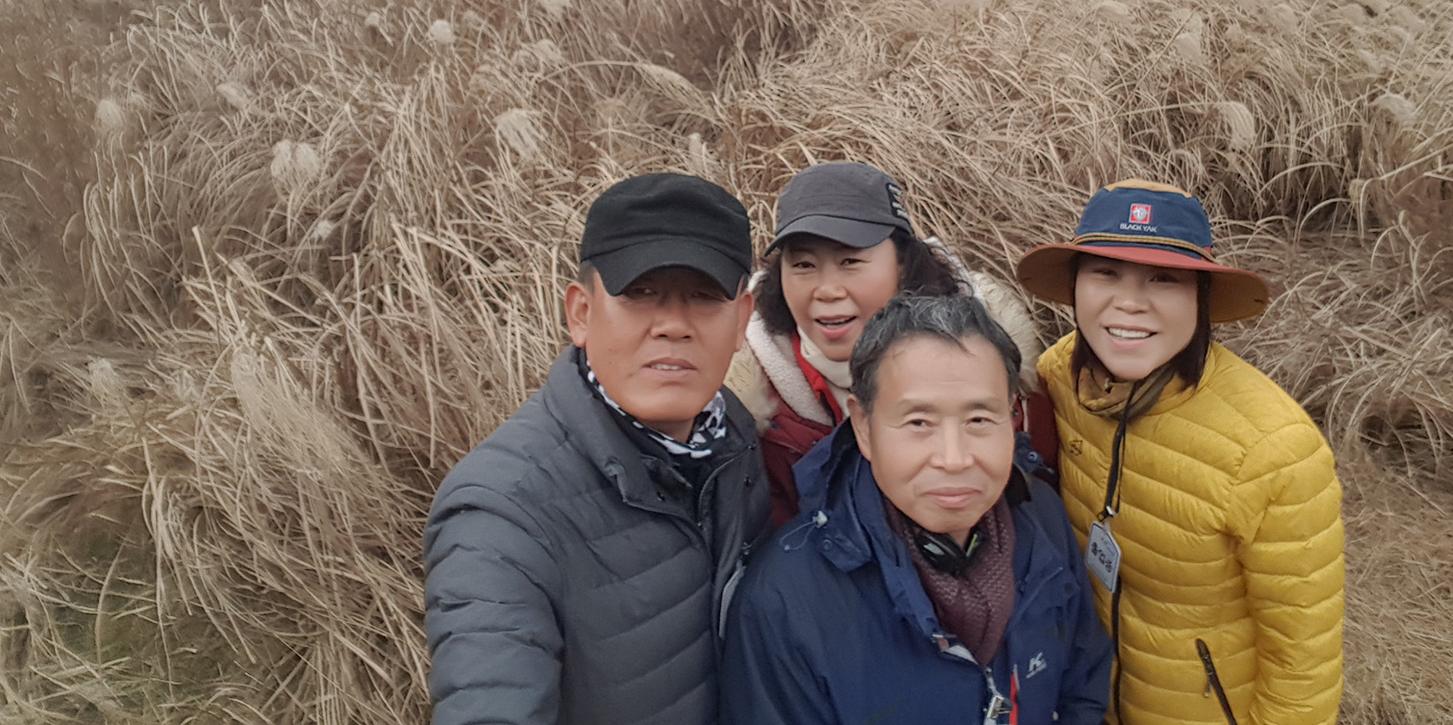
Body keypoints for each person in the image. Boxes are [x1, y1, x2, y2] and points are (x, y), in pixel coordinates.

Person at [423, 173, 770, 725]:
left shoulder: (734, 445)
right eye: (640, 293)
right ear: (581, 313)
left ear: (741, 321)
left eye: (705, 297)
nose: (673, 325)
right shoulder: (501, 510)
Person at [1016, 180, 1344, 725]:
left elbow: (1303, 664)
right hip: (1085, 698)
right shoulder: (1059, 374)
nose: (1129, 302)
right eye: (1105, 272)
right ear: (1074, 287)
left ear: (1201, 297)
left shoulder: (1274, 450)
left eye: (1163, 278)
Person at [720, 294, 1112, 725]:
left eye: (979, 420)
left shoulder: (1041, 518)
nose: (954, 459)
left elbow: (1083, 681)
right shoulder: (786, 599)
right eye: (919, 423)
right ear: (863, 427)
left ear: (1012, 417)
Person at [725, 160, 1041, 523]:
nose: (826, 290)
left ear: (902, 264)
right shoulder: (748, 401)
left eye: (850, 261)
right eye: (803, 265)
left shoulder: (997, 366)